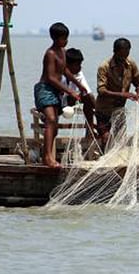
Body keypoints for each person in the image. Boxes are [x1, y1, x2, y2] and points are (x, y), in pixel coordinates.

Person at [33, 22, 84, 168]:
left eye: (67, 38)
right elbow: (51, 77)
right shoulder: (50, 53)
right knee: (50, 119)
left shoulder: (63, 51)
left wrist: (78, 84)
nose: (66, 41)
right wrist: (70, 91)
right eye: (63, 38)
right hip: (45, 89)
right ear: (55, 38)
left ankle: (47, 156)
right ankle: (48, 158)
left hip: (56, 91)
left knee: (54, 125)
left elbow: (65, 71)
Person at [95, 38, 139, 146]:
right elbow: (101, 90)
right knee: (106, 139)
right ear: (114, 51)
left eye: (126, 55)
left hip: (119, 110)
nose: (123, 59)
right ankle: (106, 160)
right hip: (104, 110)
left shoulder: (131, 64)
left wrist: (138, 95)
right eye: (120, 56)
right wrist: (122, 95)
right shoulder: (104, 67)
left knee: (121, 140)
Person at [62, 48, 97, 136]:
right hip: (58, 101)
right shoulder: (58, 74)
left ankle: (91, 129)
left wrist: (97, 109)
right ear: (67, 65)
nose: (80, 67)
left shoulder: (78, 73)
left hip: (70, 100)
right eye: (77, 65)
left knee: (89, 98)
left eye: (80, 64)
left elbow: (87, 92)